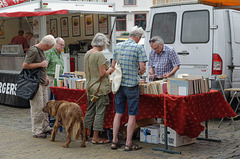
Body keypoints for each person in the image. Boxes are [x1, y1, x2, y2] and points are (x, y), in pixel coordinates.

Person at [111, 26, 147, 151]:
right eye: (140, 38)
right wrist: (138, 72)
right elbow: (142, 68)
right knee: (132, 115)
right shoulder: (139, 47)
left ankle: (115, 140)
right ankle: (128, 143)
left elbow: (113, 66)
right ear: (138, 37)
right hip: (131, 85)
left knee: (118, 113)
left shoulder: (118, 46)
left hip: (119, 84)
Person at [22, 35, 56, 138]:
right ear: (46, 45)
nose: (50, 49)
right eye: (50, 47)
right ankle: (37, 130)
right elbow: (25, 65)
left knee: (45, 106)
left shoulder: (42, 51)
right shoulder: (33, 51)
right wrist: (40, 64)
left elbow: (43, 66)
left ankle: (45, 126)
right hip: (35, 83)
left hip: (42, 82)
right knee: (37, 107)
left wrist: (45, 76)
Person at [84, 33, 114, 144]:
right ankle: (95, 137)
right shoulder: (99, 55)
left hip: (90, 86)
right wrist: (110, 70)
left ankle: (85, 134)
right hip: (100, 88)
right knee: (100, 112)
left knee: (90, 111)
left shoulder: (88, 53)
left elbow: (86, 71)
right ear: (102, 43)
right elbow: (102, 73)